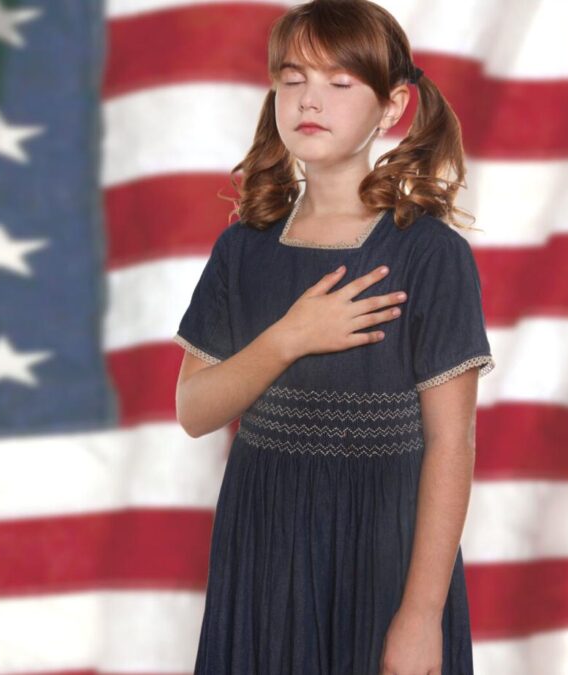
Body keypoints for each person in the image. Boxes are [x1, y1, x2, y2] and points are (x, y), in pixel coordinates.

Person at [172, 1, 496, 673]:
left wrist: (419, 615)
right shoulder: (242, 250)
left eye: (339, 83)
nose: (309, 100)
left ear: (392, 106)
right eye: (293, 79)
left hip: (384, 555)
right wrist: (288, 337)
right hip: (263, 553)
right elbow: (194, 409)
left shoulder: (430, 255)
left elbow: (450, 442)